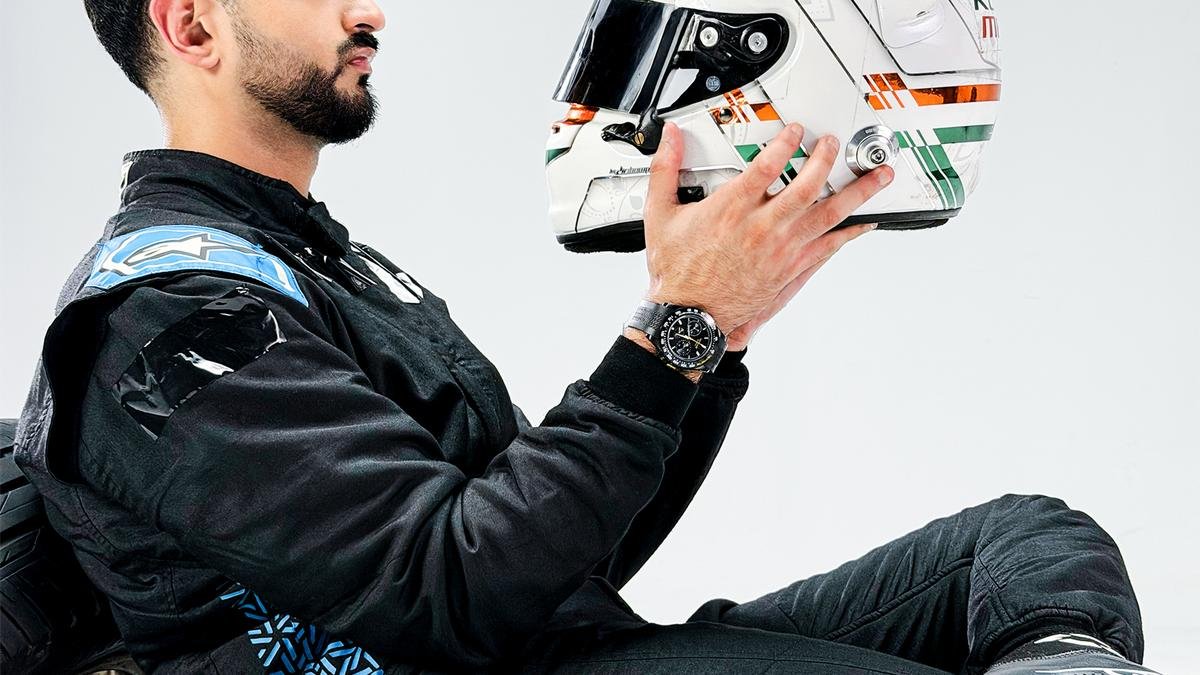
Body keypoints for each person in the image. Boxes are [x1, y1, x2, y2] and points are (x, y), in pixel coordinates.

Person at [11, 1, 1158, 673]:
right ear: (192, 23)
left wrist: (711, 338)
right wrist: (681, 325)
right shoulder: (169, 316)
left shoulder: (315, 266)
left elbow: (556, 557)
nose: (370, 12)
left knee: (1030, 551)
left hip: (572, 644)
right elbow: (452, 594)